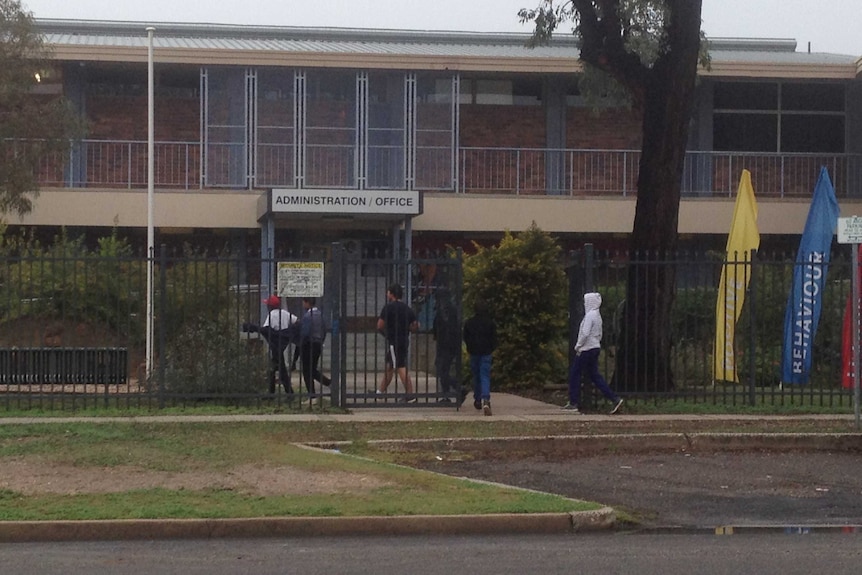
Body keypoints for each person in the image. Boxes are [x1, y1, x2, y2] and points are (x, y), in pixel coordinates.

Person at [563, 292, 623, 415]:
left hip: (586, 348)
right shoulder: (597, 316)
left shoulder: (590, 315)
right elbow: (599, 334)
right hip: (595, 347)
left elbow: (585, 333)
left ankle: (574, 402)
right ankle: (614, 398)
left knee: (575, 373)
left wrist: (578, 346)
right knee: (595, 375)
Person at [243, 294, 298, 396]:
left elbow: (266, 329)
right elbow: (296, 321)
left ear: (271, 306)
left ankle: (281, 393)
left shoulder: (272, 315)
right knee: (276, 368)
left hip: (275, 344)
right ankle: (278, 392)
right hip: (283, 343)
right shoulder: (285, 313)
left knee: (276, 368)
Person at [376, 283, 418, 402]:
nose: (387, 293)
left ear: (392, 294)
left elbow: (379, 325)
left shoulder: (388, 307)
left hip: (394, 342)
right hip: (404, 340)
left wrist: (386, 334)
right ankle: (380, 392)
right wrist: (407, 328)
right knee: (390, 366)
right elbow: (415, 325)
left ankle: (410, 395)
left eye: (388, 291)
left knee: (400, 367)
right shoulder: (407, 308)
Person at [463, 299, 496, 416]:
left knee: (476, 376)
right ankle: (486, 399)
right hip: (486, 352)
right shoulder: (490, 323)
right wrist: (491, 348)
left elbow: (465, 337)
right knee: (485, 375)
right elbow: (494, 338)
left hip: (474, 352)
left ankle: (477, 399)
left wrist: (469, 348)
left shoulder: (469, 323)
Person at [293, 297, 331, 394]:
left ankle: (312, 394)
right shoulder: (320, 315)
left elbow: (305, 332)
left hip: (308, 345)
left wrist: (300, 343)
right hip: (318, 345)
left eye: (303, 302)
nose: (302, 305)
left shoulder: (308, 316)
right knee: (312, 370)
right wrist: (321, 341)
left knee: (307, 371)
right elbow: (324, 330)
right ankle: (328, 383)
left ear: (307, 303)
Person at [432, 287, 463, 403]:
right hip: (450, 343)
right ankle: (450, 391)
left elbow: (440, 326)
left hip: (445, 344)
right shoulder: (451, 309)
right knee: (442, 368)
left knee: (442, 369)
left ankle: (455, 388)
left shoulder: (444, 309)